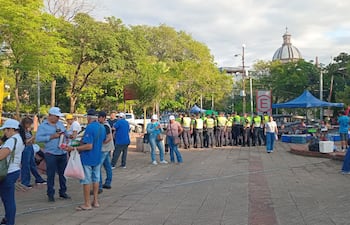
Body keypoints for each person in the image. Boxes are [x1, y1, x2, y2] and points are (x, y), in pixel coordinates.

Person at [64, 109, 106, 210]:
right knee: (96, 179)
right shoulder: (102, 127)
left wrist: (74, 148)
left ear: (89, 117)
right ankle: (95, 201)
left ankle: (87, 204)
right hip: (97, 156)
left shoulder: (90, 128)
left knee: (86, 180)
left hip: (88, 157)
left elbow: (89, 146)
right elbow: (103, 141)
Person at [36, 107, 70, 202]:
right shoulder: (43, 126)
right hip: (51, 153)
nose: (58, 119)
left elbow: (65, 133)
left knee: (63, 174)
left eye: (59, 117)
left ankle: (63, 191)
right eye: (56, 117)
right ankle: (50, 193)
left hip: (62, 152)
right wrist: (51, 137)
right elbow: (38, 139)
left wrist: (68, 135)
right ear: (50, 116)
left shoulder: (60, 124)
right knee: (50, 174)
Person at [0, 119, 26, 225]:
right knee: (8, 199)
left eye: (5, 130)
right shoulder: (20, 138)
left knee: (8, 200)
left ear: (11, 129)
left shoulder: (12, 140)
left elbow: (1, 155)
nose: (4, 133)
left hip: (7, 172)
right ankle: (8, 219)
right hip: (14, 170)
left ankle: (9, 221)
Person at [20, 117, 46, 188]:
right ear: (26, 124)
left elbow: (31, 140)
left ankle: (38, 179)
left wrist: (32, 139)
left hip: (30, 147)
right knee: (26, 165)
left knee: (32, 164)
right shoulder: (21, 131)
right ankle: (25, 182)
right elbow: (24, 141)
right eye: (29, 124)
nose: (30, 126)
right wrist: (32, 138)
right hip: (25, 148)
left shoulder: (28, 131)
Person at [97, 111, 114, 192]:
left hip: (104, 149)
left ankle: (99, 186)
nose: (98, 119)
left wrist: (101, 143)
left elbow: (109, 137)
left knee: (98, 167)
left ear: (103, 117)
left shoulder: (105, 126)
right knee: (107, 166)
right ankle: (108, 182)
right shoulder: (104, 125)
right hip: (107, 148)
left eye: (99, 117)